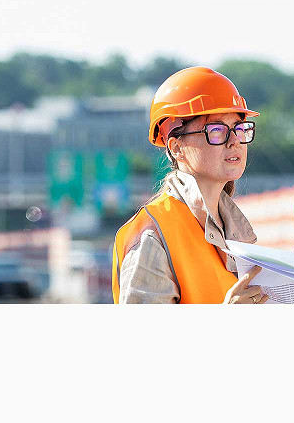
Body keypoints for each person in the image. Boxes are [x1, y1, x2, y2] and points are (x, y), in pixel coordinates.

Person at [113, 66, 270, 304]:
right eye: (216, 130)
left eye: (239, 129)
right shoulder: (152, 235)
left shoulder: (234, 231)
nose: (234, 141)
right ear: (176, 148)